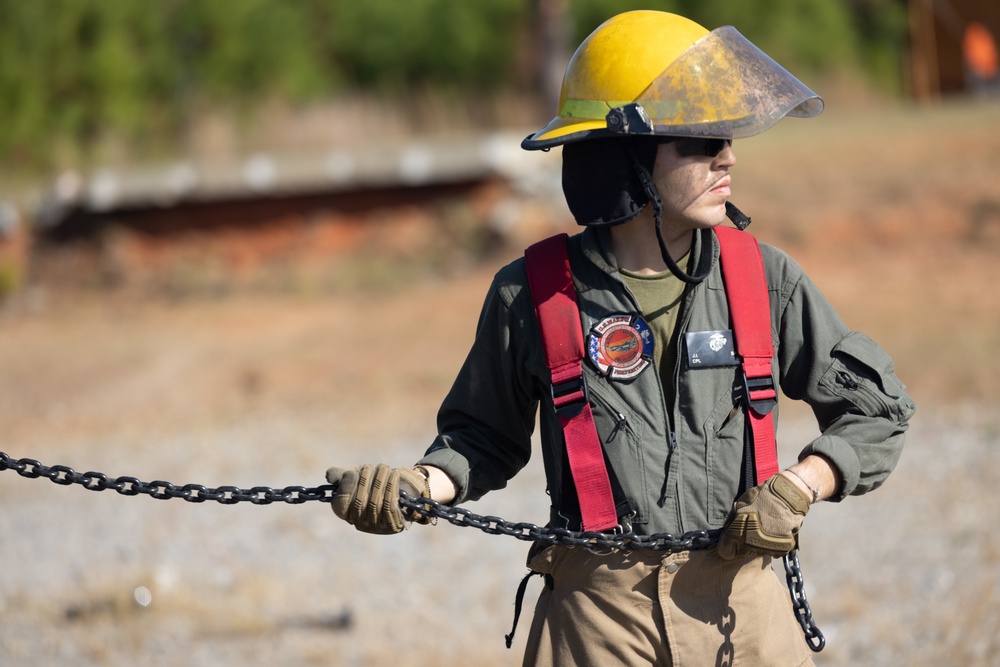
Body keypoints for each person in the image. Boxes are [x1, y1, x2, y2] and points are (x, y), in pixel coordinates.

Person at [326, 10, 916, 666]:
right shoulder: (532, 293)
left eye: (725, 137)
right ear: (626, 158)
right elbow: (480, 438)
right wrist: (412, 485)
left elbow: (878, 408)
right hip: (593, 626)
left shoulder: (764, 278)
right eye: (699, 140)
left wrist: (802, 484)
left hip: (741, 619)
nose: (729, 156)